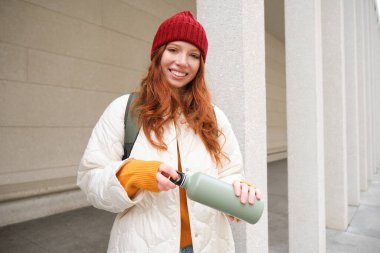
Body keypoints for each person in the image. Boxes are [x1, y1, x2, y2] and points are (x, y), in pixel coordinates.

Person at [77, 11, 261, 253]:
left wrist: (237, 190)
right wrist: (135, 174)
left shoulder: (214, 117)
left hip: (210, 245)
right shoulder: (125, 110)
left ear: (200, 65)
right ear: (158, 54)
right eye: (173, 50)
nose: (182, 62)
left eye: (193, 55)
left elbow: (231, 172)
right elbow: (90, 179)